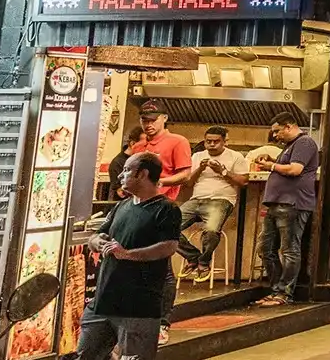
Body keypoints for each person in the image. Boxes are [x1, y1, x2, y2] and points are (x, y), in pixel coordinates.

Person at [74, 153, 179, 360]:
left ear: (143, 174)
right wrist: (98, 242)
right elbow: (98, 235)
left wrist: (129, 254)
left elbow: (168, 246)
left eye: (127, 171)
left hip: (140, 298)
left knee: (135, 358)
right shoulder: (122, 206)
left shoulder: (166, 209)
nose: (121, 176)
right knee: (89, 351)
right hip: (106, 293)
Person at [253, 110, 320, 307]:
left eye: (277, 131)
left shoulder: (305, 143)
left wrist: (271, 167)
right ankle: (276, 290)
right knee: (265, 249)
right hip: (277, 203)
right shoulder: (290, 146)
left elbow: (295, 169)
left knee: (290, 249)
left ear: (289, 126)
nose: (275, 136)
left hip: (293, 204)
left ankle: (285, 293)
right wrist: (273, 162)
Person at [174, 126, 246, 283]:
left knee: (212, 230)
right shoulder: (198, 156)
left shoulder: (235, 157)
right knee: (166, 226)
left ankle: (204, 263)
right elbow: (188, 183)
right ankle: (193, 257)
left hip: (221, 200)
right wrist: (200, 168)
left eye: (216, 141)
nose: (212, 144)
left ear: (224, 142)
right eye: (208, 141)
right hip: (196, 199)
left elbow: (243, 181)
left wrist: (223, 171)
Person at [131, 107, 193, 196]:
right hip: (138, 198)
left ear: (165, 118)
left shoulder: (178, 141)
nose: (149, 124)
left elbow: (185, 175)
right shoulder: (137, 146)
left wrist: (156, 183)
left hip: (163, 200)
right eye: (145, 121)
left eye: (153, 120)